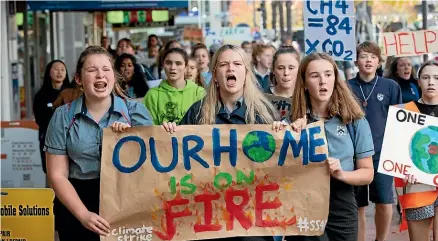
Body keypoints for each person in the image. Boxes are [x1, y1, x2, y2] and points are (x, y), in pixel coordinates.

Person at [162, 44, 278, 241]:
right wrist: (169, 134)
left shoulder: (264, 114)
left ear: (246, 73)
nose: (230, 69)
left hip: (251, 221)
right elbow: (175, 160)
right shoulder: (197, 112)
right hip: (208, 217)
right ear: (215, 75)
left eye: (236, 64)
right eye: (224, 64)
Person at [44, 46, 153, 241]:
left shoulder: (135, 112)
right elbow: (57, 175)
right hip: (76, 202)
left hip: (126, 201)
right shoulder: (62, 116)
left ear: (114, 75)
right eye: (92, 70)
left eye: (106, 69)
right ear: (78, 79)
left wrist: (131, 139)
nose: (100, 75)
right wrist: (83, 215)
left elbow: (153, 164)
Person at [273, 52, 374, 241]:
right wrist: (278, 136)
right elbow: (277, 173)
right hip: (303, 205)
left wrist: (341, 174)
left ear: (336, 79)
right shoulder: (291, 123)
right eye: (315, 76)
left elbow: (367, 173)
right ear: (303, 82)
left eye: (328, 74)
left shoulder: (355, 121)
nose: (322, 81)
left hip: (341, 205)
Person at [347, 41, 402, 241]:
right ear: (356, 61)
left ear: (379, 61)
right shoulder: (346, 86)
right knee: (358, 205)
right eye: (363, 56)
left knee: (385, 201)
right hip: (354, 154)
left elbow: (399, 120)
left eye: (372, 56)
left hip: (383, 152)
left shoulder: (390, 86)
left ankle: (381, 239)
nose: (368, 60)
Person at [395, 60, 438, 241]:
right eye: (426, 77)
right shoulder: (405, 113)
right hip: (417, 185)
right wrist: (403, 172)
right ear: (418, 81)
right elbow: (397, 153)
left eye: (436, 78)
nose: (431, 82)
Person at [144, 48, 205, 125]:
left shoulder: (199, 93)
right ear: (163, 65)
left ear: (185, 66)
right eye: (168, 63)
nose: (173, 67)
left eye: (178, 63)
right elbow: (147, 128)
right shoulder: (152, 95)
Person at [33, 60, 71, 174]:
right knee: (51, 171)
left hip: (69, 137)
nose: (59, 72)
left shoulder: (72, 93)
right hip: (48, 137)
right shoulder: (41, 96)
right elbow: (39, 119)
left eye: (62, 69)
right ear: (49, 73)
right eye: (56, 69)